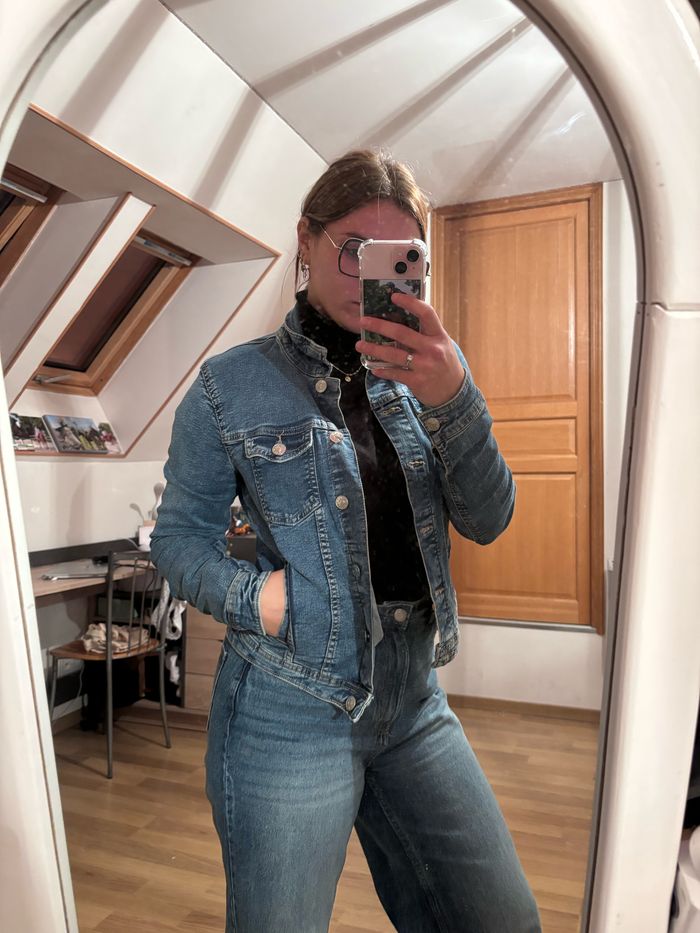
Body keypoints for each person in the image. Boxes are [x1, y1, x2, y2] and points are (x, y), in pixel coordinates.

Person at [151, 149, 541, 933]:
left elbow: (489, 517)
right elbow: (179, 539)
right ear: (306, 238)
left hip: (415, 698)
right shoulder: (230, 385)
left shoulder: (431, 374)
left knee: (503, 919)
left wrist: (455, 397)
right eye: (353, 247)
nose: (370, 273)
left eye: (397, 254)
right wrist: (255, 598)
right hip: (289, 706)